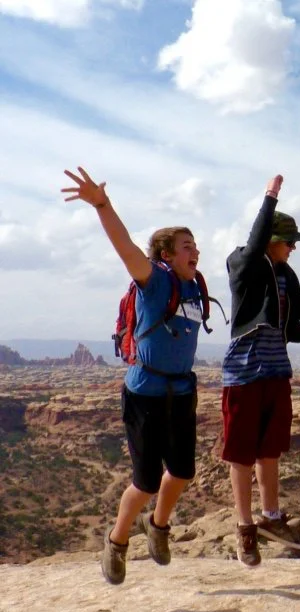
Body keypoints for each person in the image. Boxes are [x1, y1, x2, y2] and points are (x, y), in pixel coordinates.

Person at [62, 167, 205, 585]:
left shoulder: (194, 287)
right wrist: (103, 205)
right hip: (145, 393)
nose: (194, 251)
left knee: (181, 472)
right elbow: (124, 249)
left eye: (195, 245)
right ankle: (117, 540)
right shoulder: (154, 280)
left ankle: (157, 527)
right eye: (185, 245)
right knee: (144, 482)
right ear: (165, 255)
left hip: (181, 390)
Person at [221, 174, 300, 567]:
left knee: (270, 451)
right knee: (241, 454)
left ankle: (270, 517)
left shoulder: (285, 274)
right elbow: (254, 245)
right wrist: (269, 199)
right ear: (272, 240)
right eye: (289, 242)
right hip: (245, 373)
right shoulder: (243, 263)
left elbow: (293, 304)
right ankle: (244, 527)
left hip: (277, 371)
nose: (293, 250)